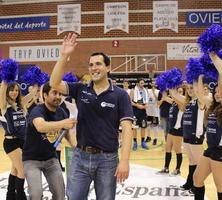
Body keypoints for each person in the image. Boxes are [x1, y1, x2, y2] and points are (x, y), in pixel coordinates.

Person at [50, 33, 133, 200]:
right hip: (80, 157)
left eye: (98, 64)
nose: (94, 68)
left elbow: (127, 129)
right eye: (91, 65)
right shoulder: (81, 89)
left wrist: (124, 161)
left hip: (108, 160)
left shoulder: (120, 95)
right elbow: (54, 83)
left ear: (108, 68)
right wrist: (64, 55)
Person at [22, 82, 76, 200]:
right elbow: (41, 126)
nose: (58, 96)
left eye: (60, 94)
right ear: (45, 95)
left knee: (60, 195)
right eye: (54, 93)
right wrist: (63, 123)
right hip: (31, 160)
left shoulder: (62, 112)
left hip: (51, 159)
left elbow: (67, 132)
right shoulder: (37, 110)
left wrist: (75, 146)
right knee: (36, 194)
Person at [0, 80, 36, 200]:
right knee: (22, 171)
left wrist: (36, 82)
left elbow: (32, 94)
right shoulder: (4, 106)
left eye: (16, 90)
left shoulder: (20, 104)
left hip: (22, 141)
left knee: (15, 170)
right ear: (7, 91)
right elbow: (2, 91)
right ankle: (20, 196)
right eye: (12, 90)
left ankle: (10, 196)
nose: (14, 92)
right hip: (11, 142)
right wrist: (5, 78)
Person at [193, 54, 222, 200]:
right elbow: (198, 94)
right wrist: (199, 75)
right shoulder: (212, 105)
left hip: (220, 151)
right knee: (197, 179)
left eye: (219, 91)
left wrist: (213, 55)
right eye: (215, 91)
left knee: (220, 188)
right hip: (210, 149)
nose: (217, 94)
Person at [157, 86, 184, 176]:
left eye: (181, 92)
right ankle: (166, 168)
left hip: (178, 130)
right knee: (167, 149)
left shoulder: (182, 104)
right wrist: (164, 89)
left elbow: (173, 96)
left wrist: (172, 92)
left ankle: (177, 169)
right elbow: (165, 98)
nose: (179, 94)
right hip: (171, 129)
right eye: (178, 92)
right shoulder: (173, 103)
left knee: (177, 150)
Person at [131, 79, 149, 150]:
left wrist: (146, 105)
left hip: (143, 110)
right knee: (135, 127)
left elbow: (147, 101)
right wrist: (137, 105)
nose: (142, 85)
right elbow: (130, 102)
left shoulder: (145, 90)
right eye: (141, 83)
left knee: (143, 126)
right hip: (135, 110)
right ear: (138, 83)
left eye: (143, 83)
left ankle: (142, 142)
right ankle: (135, 142)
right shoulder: (133, 91)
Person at [146, 80, 160, 145]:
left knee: (155, 126)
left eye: (155, 83)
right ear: (151, 84)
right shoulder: (147, 91)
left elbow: (158, 100)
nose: (153, 84)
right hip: (148, 111)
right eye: (152, 83)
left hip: (155, 112)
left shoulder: (158, 91)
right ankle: (148, 137)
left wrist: (154, 92)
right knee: (148, 125)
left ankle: (155, 138)